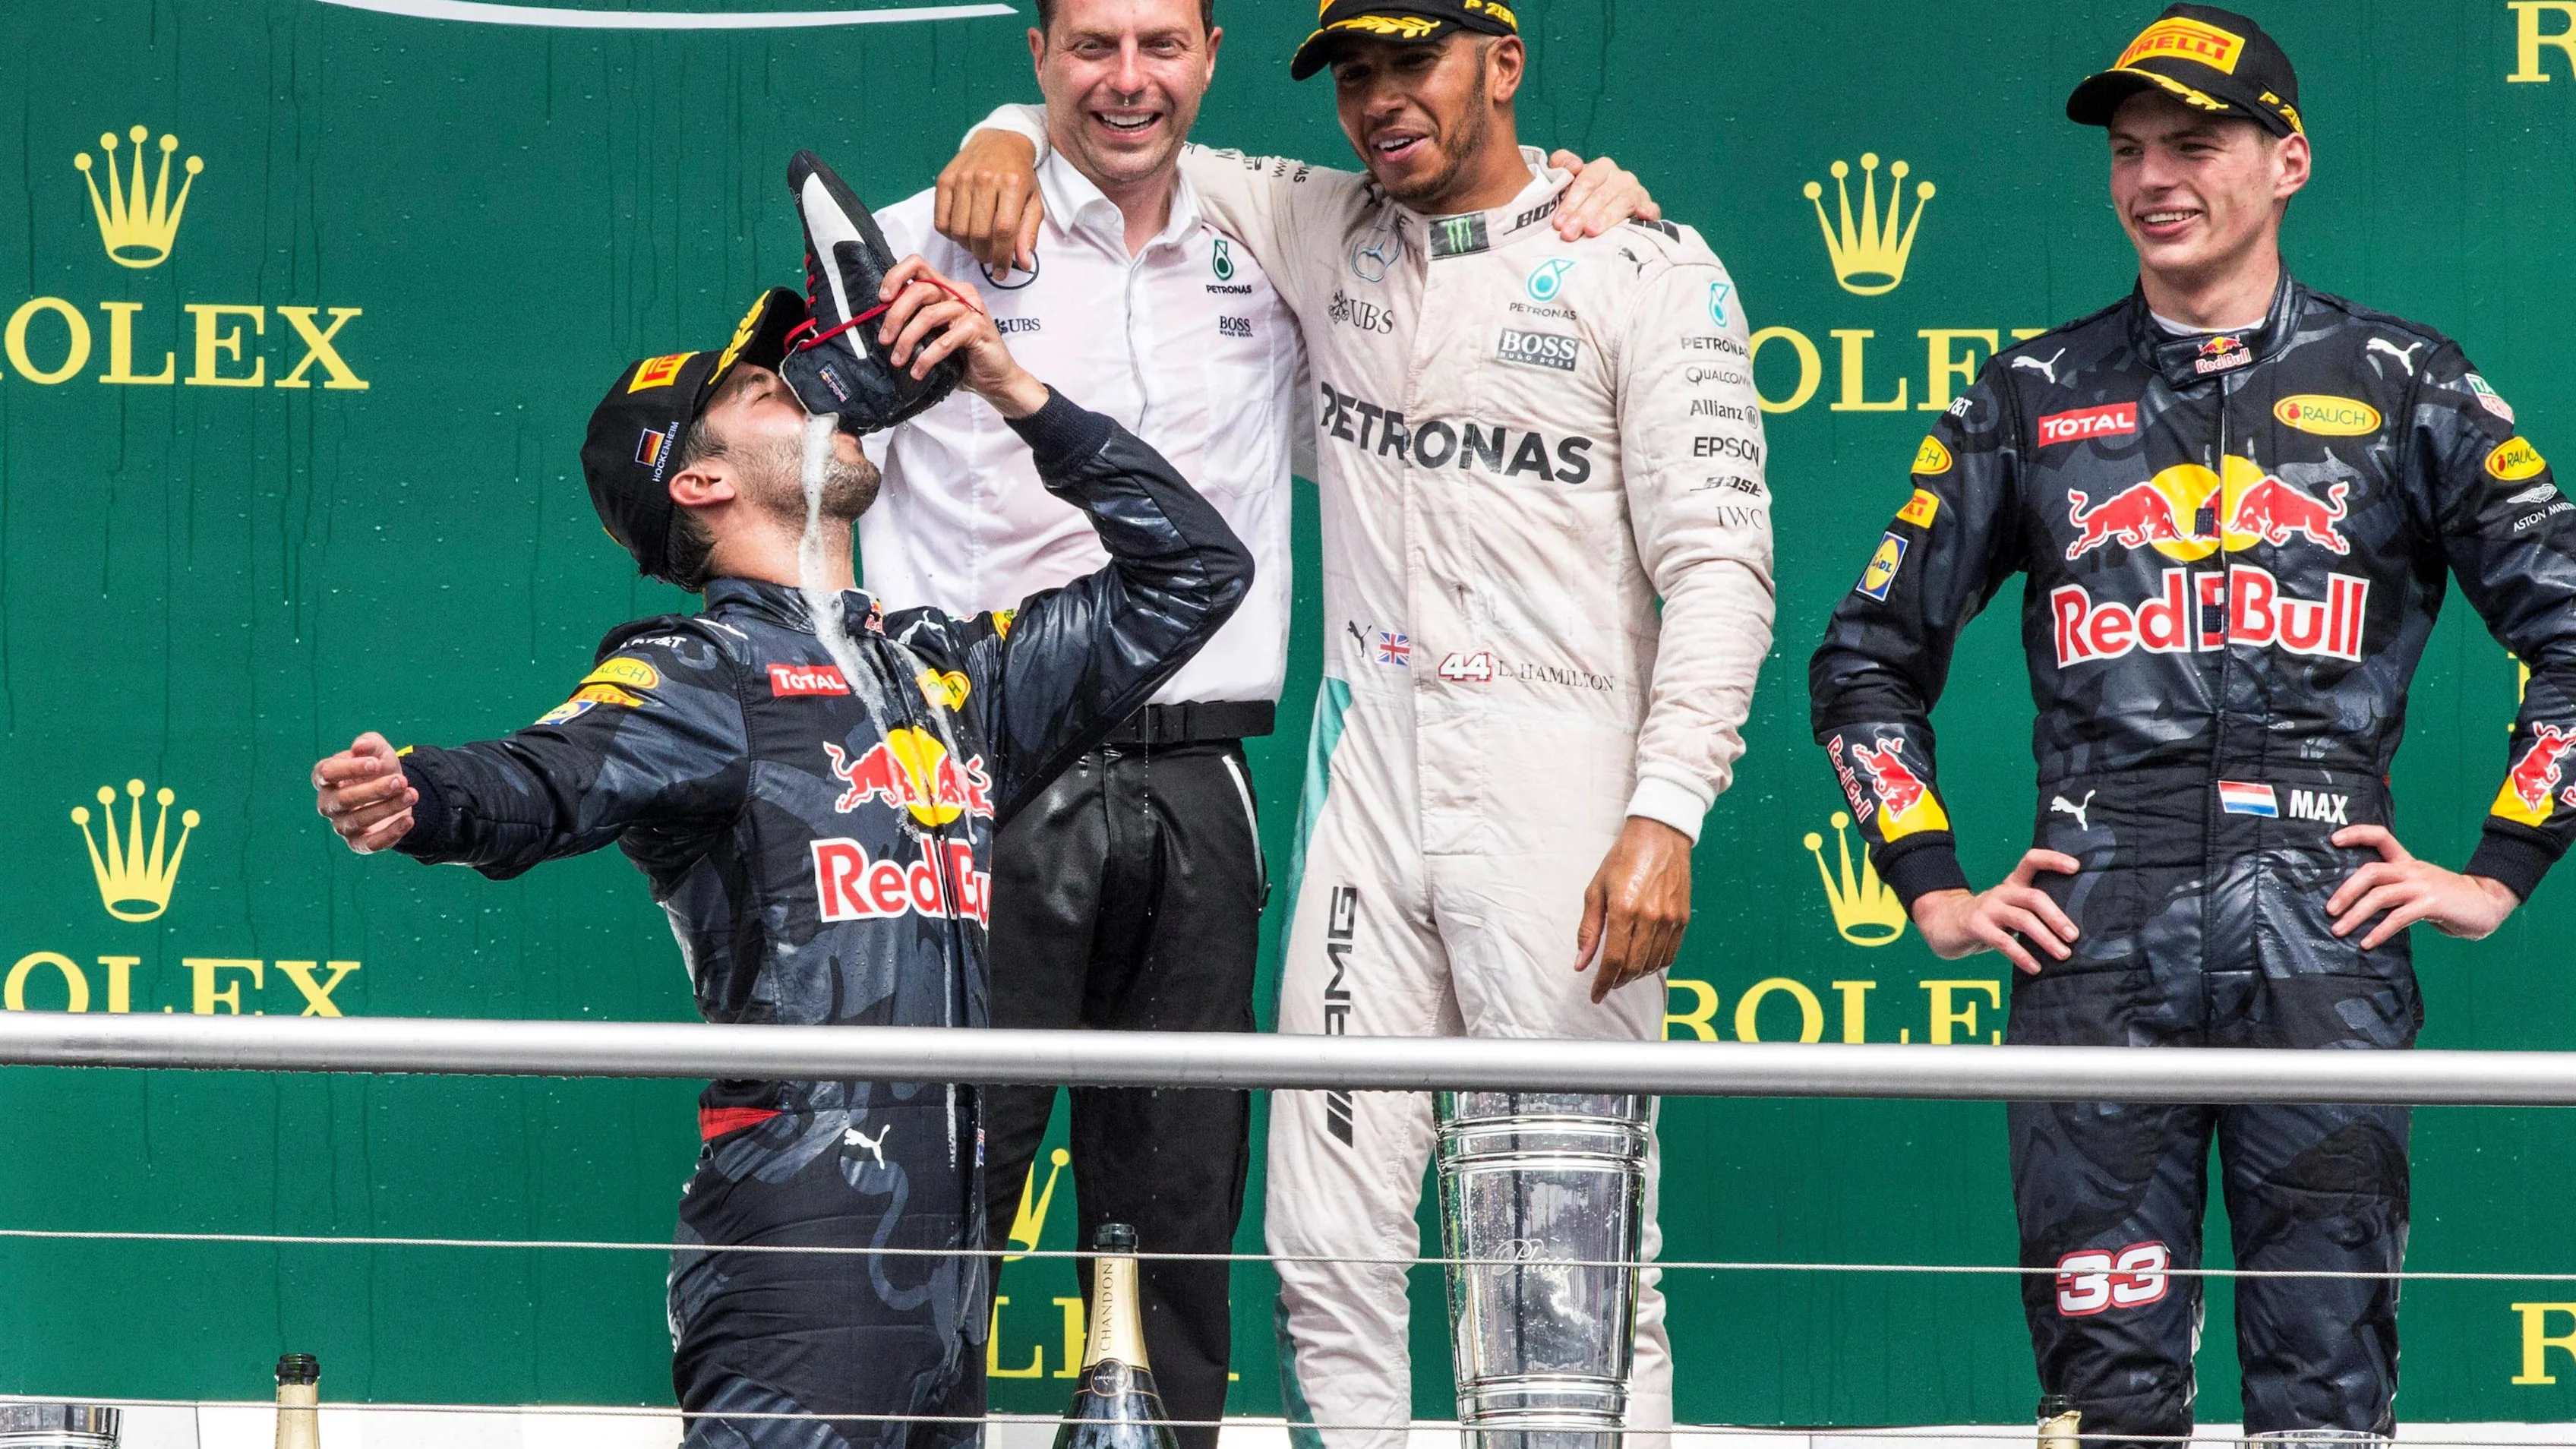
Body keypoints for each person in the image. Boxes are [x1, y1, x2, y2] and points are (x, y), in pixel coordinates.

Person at [937, 2, 1776, 1442]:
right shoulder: (1319, 224)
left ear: (1503, 65)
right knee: (1324, 1242)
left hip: (1563, 791)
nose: (1383, 99)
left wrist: (1666, 812)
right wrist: (1002, 133)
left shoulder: (1646, 266)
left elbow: (1722, 571)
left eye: (1415, 63)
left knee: (1563, 1247)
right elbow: (1129, 132)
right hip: (1370, 776)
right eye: (1356, 73)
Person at [308, 175, 1252, 1449]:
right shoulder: (703, 673)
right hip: (800, 1253)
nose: (814, 394)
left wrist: (1009, 387)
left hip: (947, 1277)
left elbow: (1196, 570)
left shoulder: (950, 672)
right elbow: (552, 773)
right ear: (699, 481)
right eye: (766, 394)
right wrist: (424, 795)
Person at [1809, 7, 2576, 1444]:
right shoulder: (2031, 394)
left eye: (2194, 144)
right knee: (2105, 1404)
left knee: (2327, 1401)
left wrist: (2498, 872)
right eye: (2128, 150)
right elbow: (1863, 662)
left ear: (2288, 162)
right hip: (2096, 934)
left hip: (2326, 932)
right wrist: (1931, 885)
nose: (2154, 178)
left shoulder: (2406, 381)